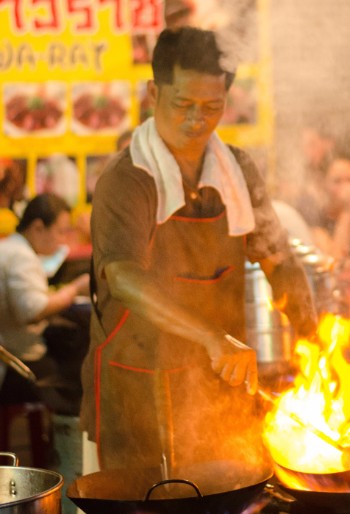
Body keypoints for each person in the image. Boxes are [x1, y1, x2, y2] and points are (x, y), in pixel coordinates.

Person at [80, 27, 317, 471]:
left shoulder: (238, 171)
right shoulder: (127, 179)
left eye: (212, 107)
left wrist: (314, 338)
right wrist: (211, 337)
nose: (197, 121)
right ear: (154, 92)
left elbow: (278, 259)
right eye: (183, 105)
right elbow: (124, 277)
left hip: (220, 389)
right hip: (138, 389)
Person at [0, 193, 90, 414]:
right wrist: (75, 289)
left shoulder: (11, 247)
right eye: (60, 231)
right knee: (81, 368)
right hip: (17, 366)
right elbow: (33, 310)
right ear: (38, 227)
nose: (62, 240)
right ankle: (65, 440)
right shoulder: (20, 256)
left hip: (11, 355)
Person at [298, 154, 350, 271]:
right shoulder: (314, 214)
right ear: (323, 183)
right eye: (337, 181)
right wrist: (347, 212)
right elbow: (334, 259)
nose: (346, 187)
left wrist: (342, 265)